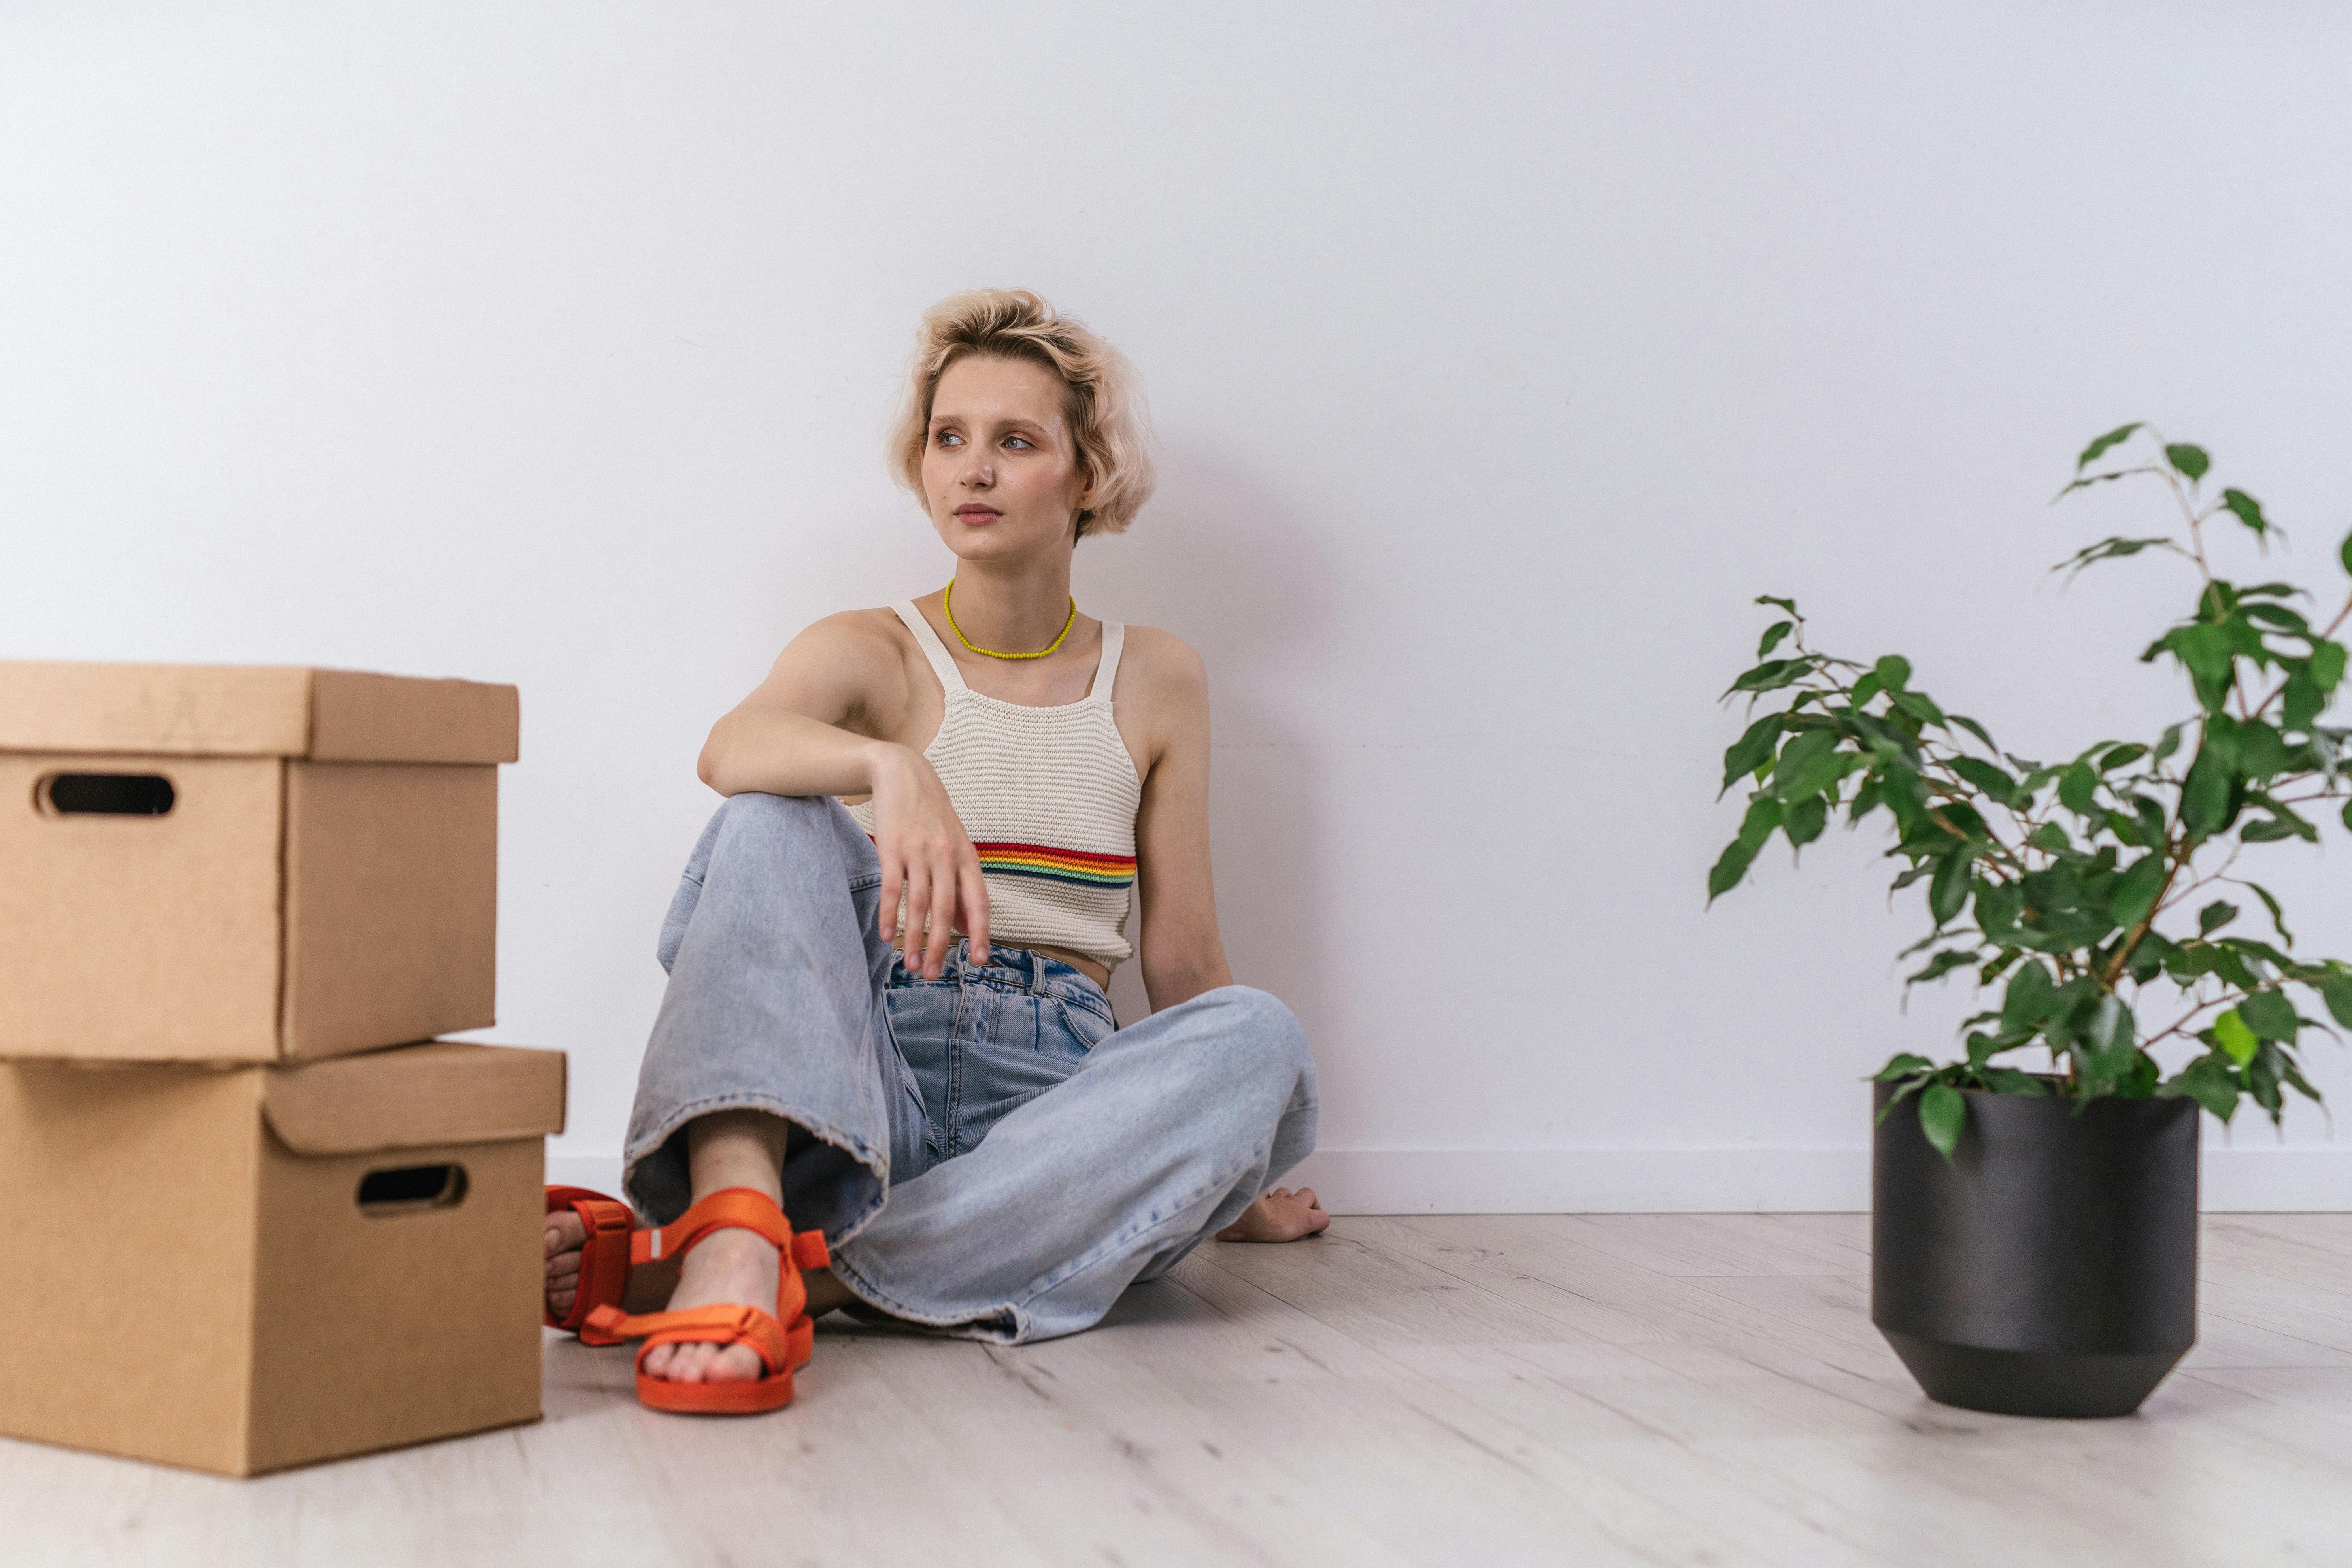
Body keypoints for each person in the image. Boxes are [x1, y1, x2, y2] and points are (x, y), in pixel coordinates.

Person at [542, 289, 1325, 1411]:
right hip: (870, 1081)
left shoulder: (1158, 677)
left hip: (1060, 1111)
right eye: (950, 439)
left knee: (1262, 1039)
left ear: (1090, 472)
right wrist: (892, 769)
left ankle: (777, 1266)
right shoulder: (872, 650)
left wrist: (1233, 1174)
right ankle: (747, 1226)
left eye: (1016, 442)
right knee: (769, 817)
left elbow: (1188, 963)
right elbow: (731, 749)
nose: (974, 470)